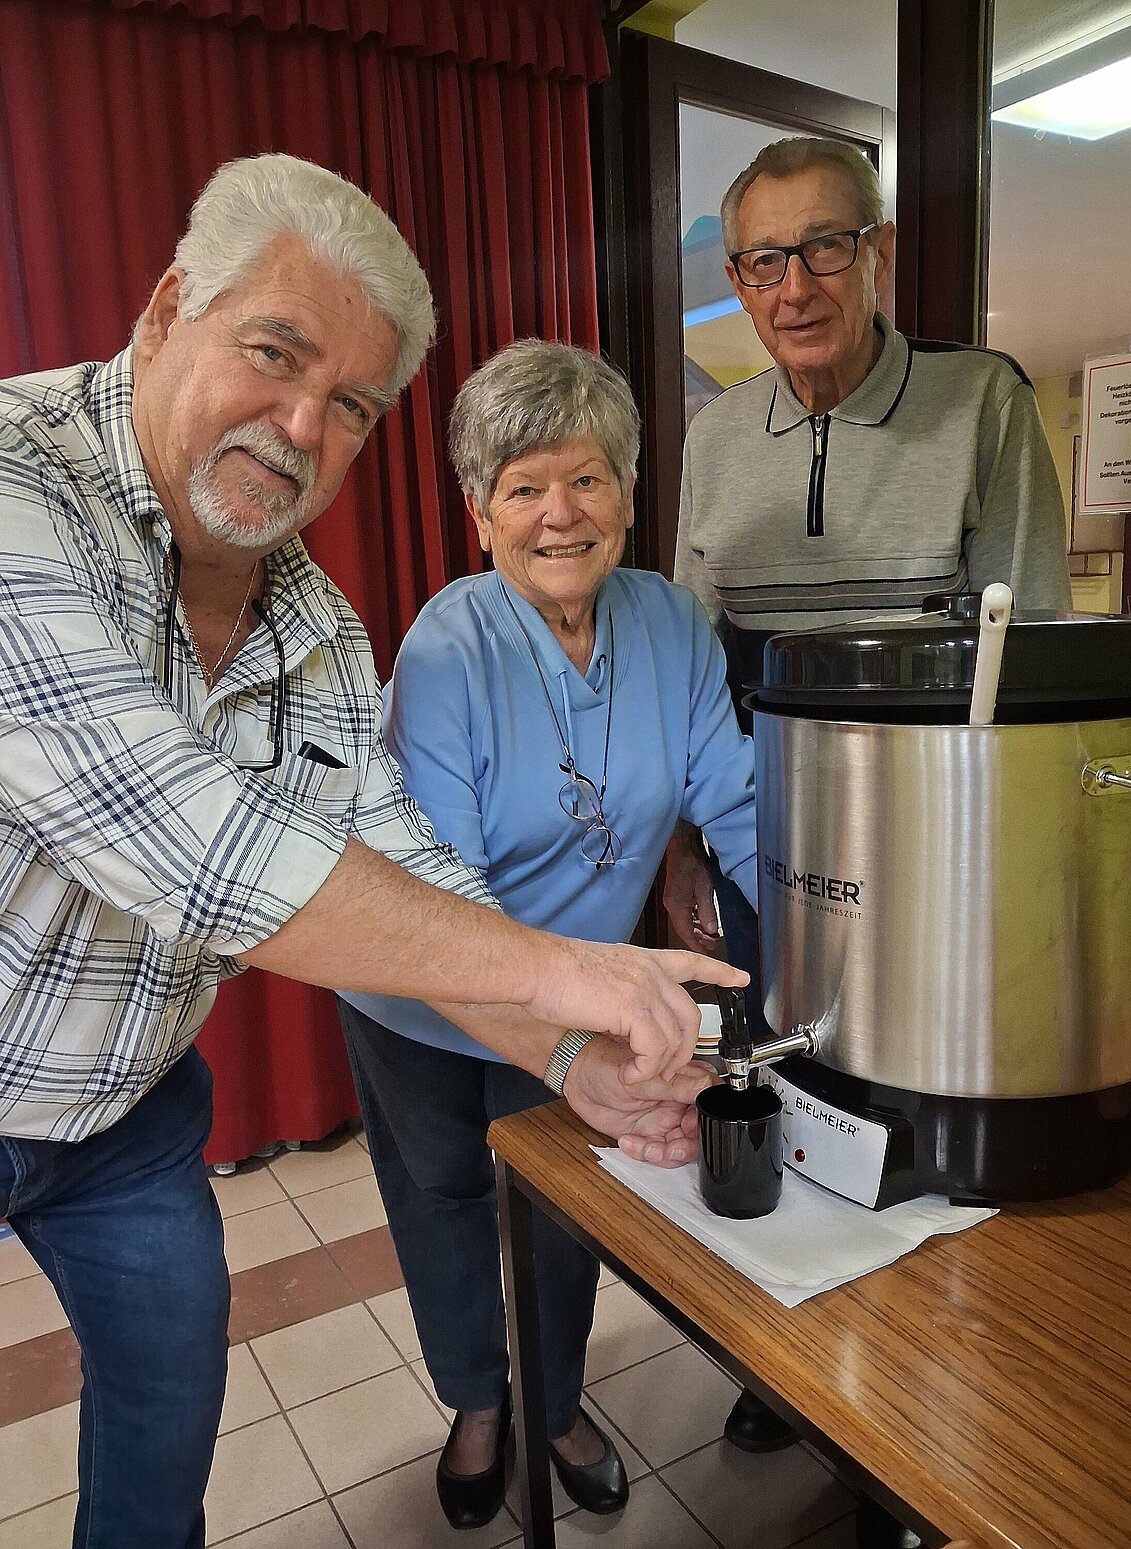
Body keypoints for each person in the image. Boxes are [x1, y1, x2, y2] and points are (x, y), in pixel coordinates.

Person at [0, 155, 745, 1549]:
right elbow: (188, 841)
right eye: (275, 353)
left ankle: (535, 1404)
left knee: (160, 1439)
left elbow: (403, 860)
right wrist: (572, 974)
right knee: (438, 1202)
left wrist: (570, 1058)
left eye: (350, 403)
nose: (301, 425)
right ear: (166, 312)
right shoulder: (15, 479)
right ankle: (484, 1404)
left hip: (124, 1115)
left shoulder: (315, 624)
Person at [665, 135, 1072, 1545]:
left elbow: (1026, 654)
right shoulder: (715, 438)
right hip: (755, 841)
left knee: (918, 1124)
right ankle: (791, 1365)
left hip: (929, 844)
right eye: (763, 261)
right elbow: (685, 668)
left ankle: (917, 1408)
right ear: (735, 280)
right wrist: (682, 855)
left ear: (877, 251)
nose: (795, 287)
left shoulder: (978, 403)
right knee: (781, 1088)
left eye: (825, 247)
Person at [337, 338, 758, 1529]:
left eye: (586, 479)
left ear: (627, 493)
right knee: (443, 1195)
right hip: (419, 993)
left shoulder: (669, 621)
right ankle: (479, 1404)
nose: (559, 514)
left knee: (568, 1200)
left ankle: (559, 1402)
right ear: (481, 515)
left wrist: (834, 913)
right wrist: (562, 1035)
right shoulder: (449, 646)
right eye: (523, 487)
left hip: (574, 990)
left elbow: (735, 802)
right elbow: (444, 893)